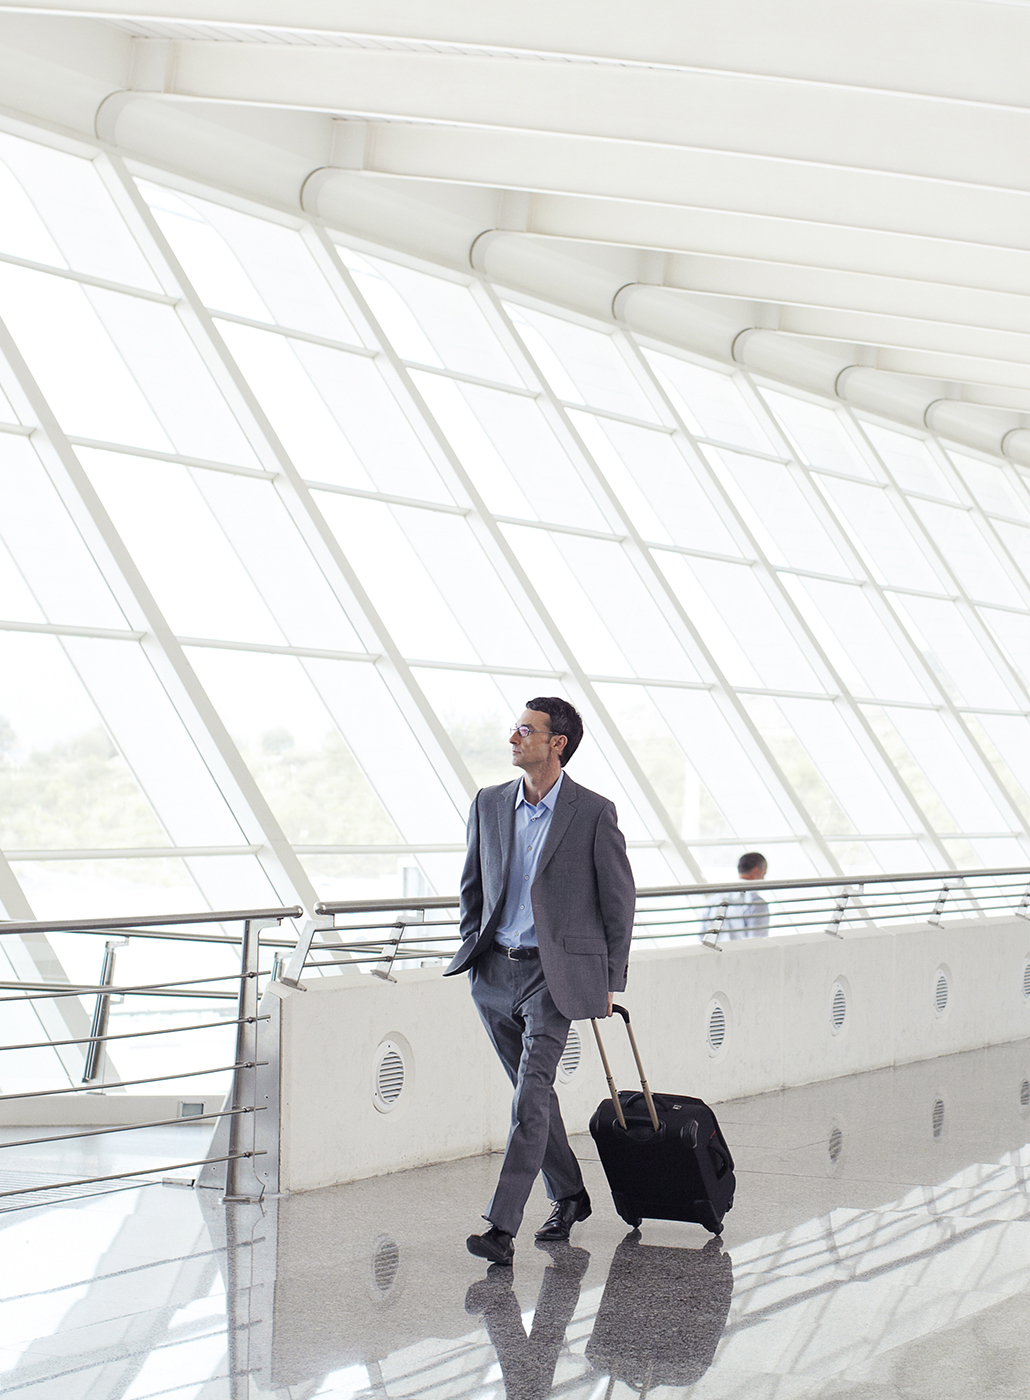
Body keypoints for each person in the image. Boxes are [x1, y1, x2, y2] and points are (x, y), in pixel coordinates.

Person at [444, 697, 636, 1266]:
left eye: (525, 730)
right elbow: (472, 885)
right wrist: (471, 948)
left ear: (558, 743)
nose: (513, 737)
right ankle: (572, 1194)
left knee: (529, 1100)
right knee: (535, 1097)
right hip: (492, 973)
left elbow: (618, 903)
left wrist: (609, 979)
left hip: (554, 978)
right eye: (514, 728)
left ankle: (500, 1228)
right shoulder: (489, 803)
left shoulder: (593, 813)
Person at [705, 852, 770, 941]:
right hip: (738, 953)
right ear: (756, 871)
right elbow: (757, 942)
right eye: (764, 874)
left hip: (712, 953)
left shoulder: (714, 898)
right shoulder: (756, 903)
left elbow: (702, 935)